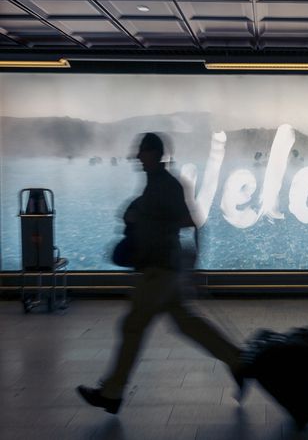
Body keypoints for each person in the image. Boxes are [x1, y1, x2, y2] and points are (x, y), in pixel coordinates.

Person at [77, 132, 245, 414]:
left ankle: (112, 393)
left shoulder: (165, 185)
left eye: (142, 151)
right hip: (164, 270)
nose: (137, 156)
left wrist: (144, 220)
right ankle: (240, 363)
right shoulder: (157, 183)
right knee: (187, 324)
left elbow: (189, 222)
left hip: (160, 271)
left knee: (133, 326)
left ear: (155, 153)